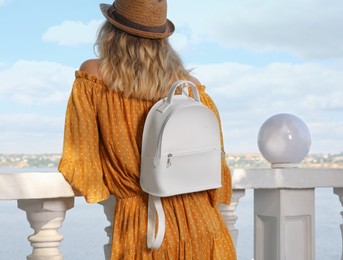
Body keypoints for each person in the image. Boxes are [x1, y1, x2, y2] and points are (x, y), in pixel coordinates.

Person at [58, 0, 236, 259]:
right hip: (203, 224)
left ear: (111, 30)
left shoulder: (94, 76)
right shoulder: (190, 87)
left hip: (146, 227)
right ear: (163, 40)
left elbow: (81, 161)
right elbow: (217, 165)